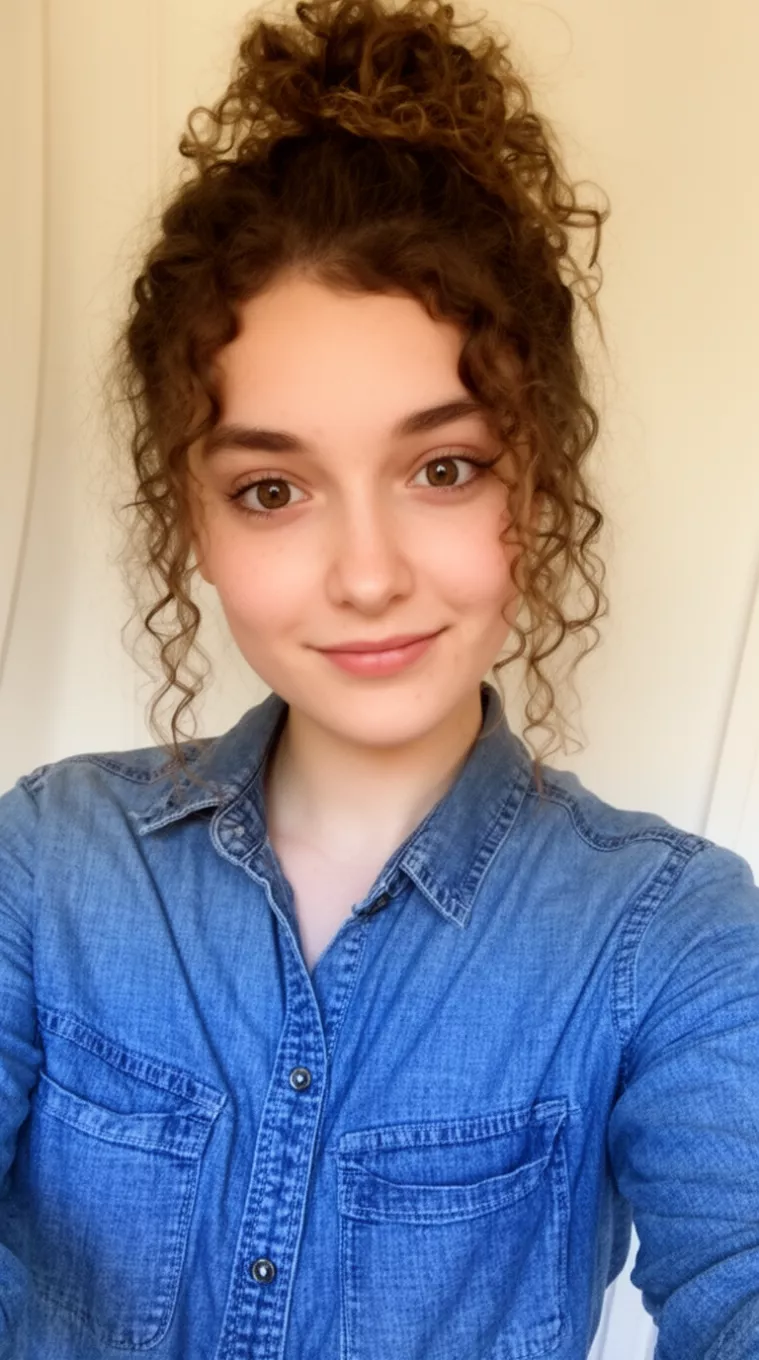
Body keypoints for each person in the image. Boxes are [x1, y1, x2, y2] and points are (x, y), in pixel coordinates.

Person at [1, 0, 758, 1355]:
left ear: (538, 478)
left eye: (442, 468)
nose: (365, 574)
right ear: (195, 521)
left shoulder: (670, 936)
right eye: (274, 488)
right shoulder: (47, 864)